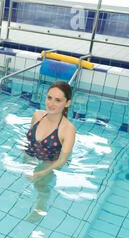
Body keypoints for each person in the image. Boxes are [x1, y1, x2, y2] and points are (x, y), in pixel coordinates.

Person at [24, 81, 76, 223]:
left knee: (41, 186)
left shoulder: (68, 129)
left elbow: (62, 160)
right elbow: (29, 140)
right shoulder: (37, 115)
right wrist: (27, 159)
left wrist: (42, 172)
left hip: (49, 163)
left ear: (67, 103)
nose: (51, 103)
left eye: (58, 100)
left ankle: (41, 206)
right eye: (49, 98)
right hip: (32, 155)